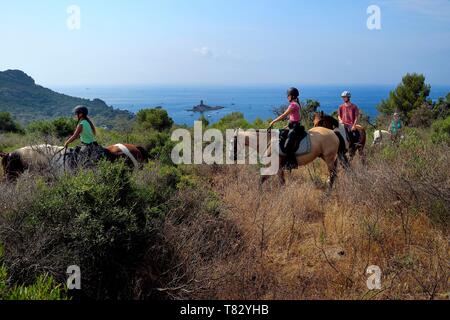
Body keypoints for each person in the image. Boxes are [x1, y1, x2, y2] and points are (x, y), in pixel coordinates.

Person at [269, 87, 303, 170]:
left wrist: (273, 121)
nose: (287, 97)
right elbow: (296, 117)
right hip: (292, 126)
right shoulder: (296, 104)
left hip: (294, 128)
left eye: (288, 96)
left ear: (292, 96)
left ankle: (291, 163)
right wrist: (287, 126)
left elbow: (284, 115)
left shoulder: (293, 105)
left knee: (287, 144)